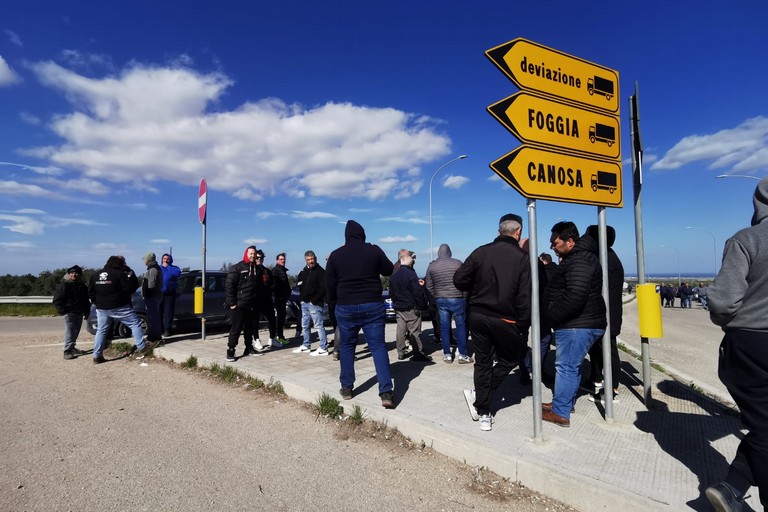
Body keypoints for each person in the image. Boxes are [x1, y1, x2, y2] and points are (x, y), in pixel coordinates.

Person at [705, 177, 768, 511]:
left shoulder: (746, 240)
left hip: (751, 343)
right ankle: (733, 486)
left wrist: (726, 323)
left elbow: (723, 301)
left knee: (764, 424)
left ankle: (733, 487)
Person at [454, 214, 531, 431]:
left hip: (477, 315)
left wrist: (477, 284)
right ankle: (482, 401)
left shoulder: (481, 251)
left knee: (483, 362)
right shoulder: (521, 257)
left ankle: (484, 409)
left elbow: (459, 279)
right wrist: (523, 324)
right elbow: (525, 295)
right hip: (505, 318)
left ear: (499, 232)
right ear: (518, 233)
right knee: (511, 358)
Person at [542, 221, 606, 428]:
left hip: (576, 324)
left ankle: (560, 413)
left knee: (566, 366)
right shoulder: (579, 258)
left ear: (570, 241)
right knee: (571, 366)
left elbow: (575, 296)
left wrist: (553, 315)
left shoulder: (579, 261)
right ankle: (563, 403)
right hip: (581, 322)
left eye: (555, 241)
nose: (552, 246)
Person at [326, 220, 395, 408]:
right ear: (363, 234)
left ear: (346, 236)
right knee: (378, 347)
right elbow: (388, 270)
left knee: (347, 347)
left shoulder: (336, 255)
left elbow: (330, 286)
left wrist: (335, 304)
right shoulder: (373, 250)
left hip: (345, 306)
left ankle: (347, 388)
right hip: (372, 304)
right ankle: (386, 393)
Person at [583, 225, 624, 405]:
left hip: (607, 314)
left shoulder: (606, 260)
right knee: (597, 349)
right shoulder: (606, 256)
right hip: (603, 313)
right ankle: (596, 379)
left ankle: (613, 388)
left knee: (609, 351)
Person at [89, 256, 156, 364]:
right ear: (119, 264)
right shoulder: (119, 274)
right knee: (135, 323)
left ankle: (97, 356)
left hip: (101, 308)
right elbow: (129, 289)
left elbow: (91, 292)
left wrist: (97, 302)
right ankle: (142, 346)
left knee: (101, 330)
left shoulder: (95, 275)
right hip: (119, 306)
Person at [425, 243, 470, 364]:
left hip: (441, 298)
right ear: (449, 252)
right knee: (461, 326)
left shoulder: (432, 266)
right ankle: (463, 354)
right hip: (457, 297)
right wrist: (464, 296)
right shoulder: (457, 263)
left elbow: (428, 285)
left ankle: (447, 355)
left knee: (444, 327)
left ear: (439, 252)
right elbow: (465, 281)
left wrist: (436, 295)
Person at [224, 246, 270, 362]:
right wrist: (232, 303)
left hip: (253, 305)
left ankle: (248, 348)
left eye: (254, 254)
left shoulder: (258, 269)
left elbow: (260, 287)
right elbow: (229, 286)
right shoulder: (237, 268)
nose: (253, 256)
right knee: (236, 328)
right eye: (251, 254)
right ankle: (231, 350)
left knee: (250, 327)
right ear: (246, 254)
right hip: (240, 304)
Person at [389, 251, 432, 362]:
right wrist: (421, 306)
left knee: (400, 330)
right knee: (415, 331)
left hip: (399, 307)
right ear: (410, 262)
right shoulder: (411, 274)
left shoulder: (394, 276)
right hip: (411, 307)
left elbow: (391, 293)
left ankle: (401, 352)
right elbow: (417, 292)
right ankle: (418, 353)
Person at [292, 250, 328, 356]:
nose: (311, 261)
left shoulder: (321, 271)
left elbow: (324, 288)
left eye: (312, 259)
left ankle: (323, 347)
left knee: (318, 325)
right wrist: (302, 299)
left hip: (315, 303)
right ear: (305, 260)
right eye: (308, 260)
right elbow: (300, 285)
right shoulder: (303, 272)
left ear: (315, 258)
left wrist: (314, 300)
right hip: (304, 303)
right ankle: (306, 345)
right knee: (305, 325)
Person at [52, 265, 91, 360]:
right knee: (70, 331)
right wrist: (64, 312)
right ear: (68, 274)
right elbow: (57, 301)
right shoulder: (63, 285)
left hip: (79, 312)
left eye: (76, 273)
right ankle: (67, 351)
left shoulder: (82, 286)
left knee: (75, 331)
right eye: (72, 273)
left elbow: (86, 300)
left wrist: (86, 312)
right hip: (69, 312)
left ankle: (72, 348)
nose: (74, 275)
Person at [253, 249, 279, 348]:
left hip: (267, 299)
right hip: (255, 300)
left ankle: (272, 339)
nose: (259, 259)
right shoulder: (252, 270)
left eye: (261, 258)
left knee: (272, 319)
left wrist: (270, 291)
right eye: (257, 257)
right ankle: (256, 339)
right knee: (255, 320)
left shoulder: (267, 271)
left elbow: (272, 284)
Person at [141, 252, 163, 343]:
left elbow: (151, 284)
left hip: (152, 297)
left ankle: (155, 335)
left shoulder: (153, 269)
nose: (144, 261)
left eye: (145, 259)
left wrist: (147, 294)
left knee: (153, 316)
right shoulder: (153, 268)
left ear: (148, 259)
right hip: (153, 296)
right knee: (152, 316)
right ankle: (154, 333)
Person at [272, 252, 291, 344]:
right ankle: (277, 336)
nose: (283, 261)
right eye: (281, 259)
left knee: (282, 318)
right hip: (278, 298)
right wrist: (279, 294)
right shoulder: (275, 271)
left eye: (284, 259)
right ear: (277, 260)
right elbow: (274, 285)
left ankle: (281, 336)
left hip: (283, 299)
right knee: (279, 318)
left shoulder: (283, 270)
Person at [159, 253, 181, 337]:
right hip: (159, 294)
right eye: (164, 258)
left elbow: (177, 274)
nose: (165, 260)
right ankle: (159, 329)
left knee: (168, 312)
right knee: (159, 312)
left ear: (170, 260)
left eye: (167, 259)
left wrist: (167, 267)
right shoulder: (159, 268)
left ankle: (167, 329)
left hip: (169, 294)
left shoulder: (174, 268)